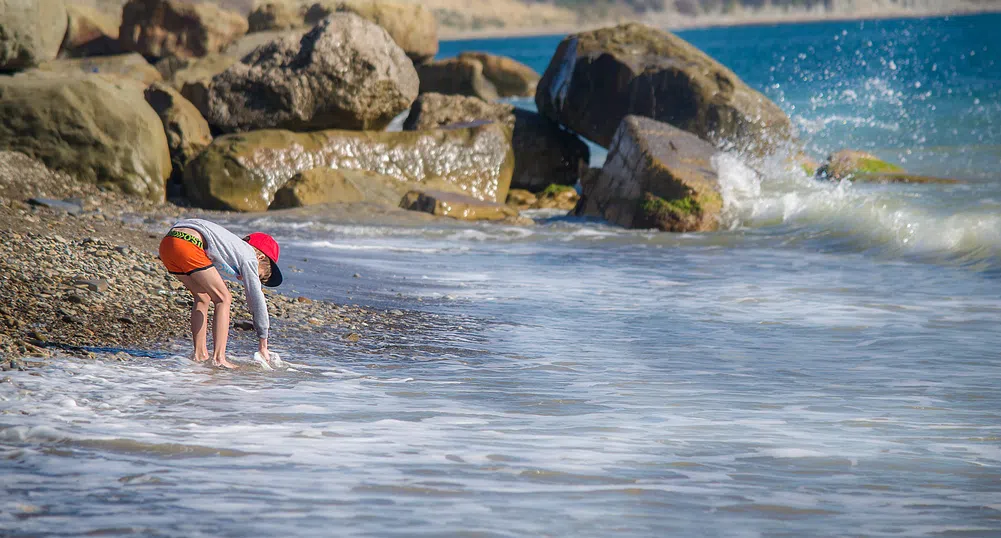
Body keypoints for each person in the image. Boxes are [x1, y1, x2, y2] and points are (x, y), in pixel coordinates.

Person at [158, 219, 283, 369]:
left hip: (168, 244)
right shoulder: (250, 257)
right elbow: (256, 298)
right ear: (260, 257)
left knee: (202, 296)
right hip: (188, 244)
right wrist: (263, 342)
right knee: (224, 298)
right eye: (260, 276)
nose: (252, 278)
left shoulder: (228, 247)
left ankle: (199, 354)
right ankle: (219, 358)